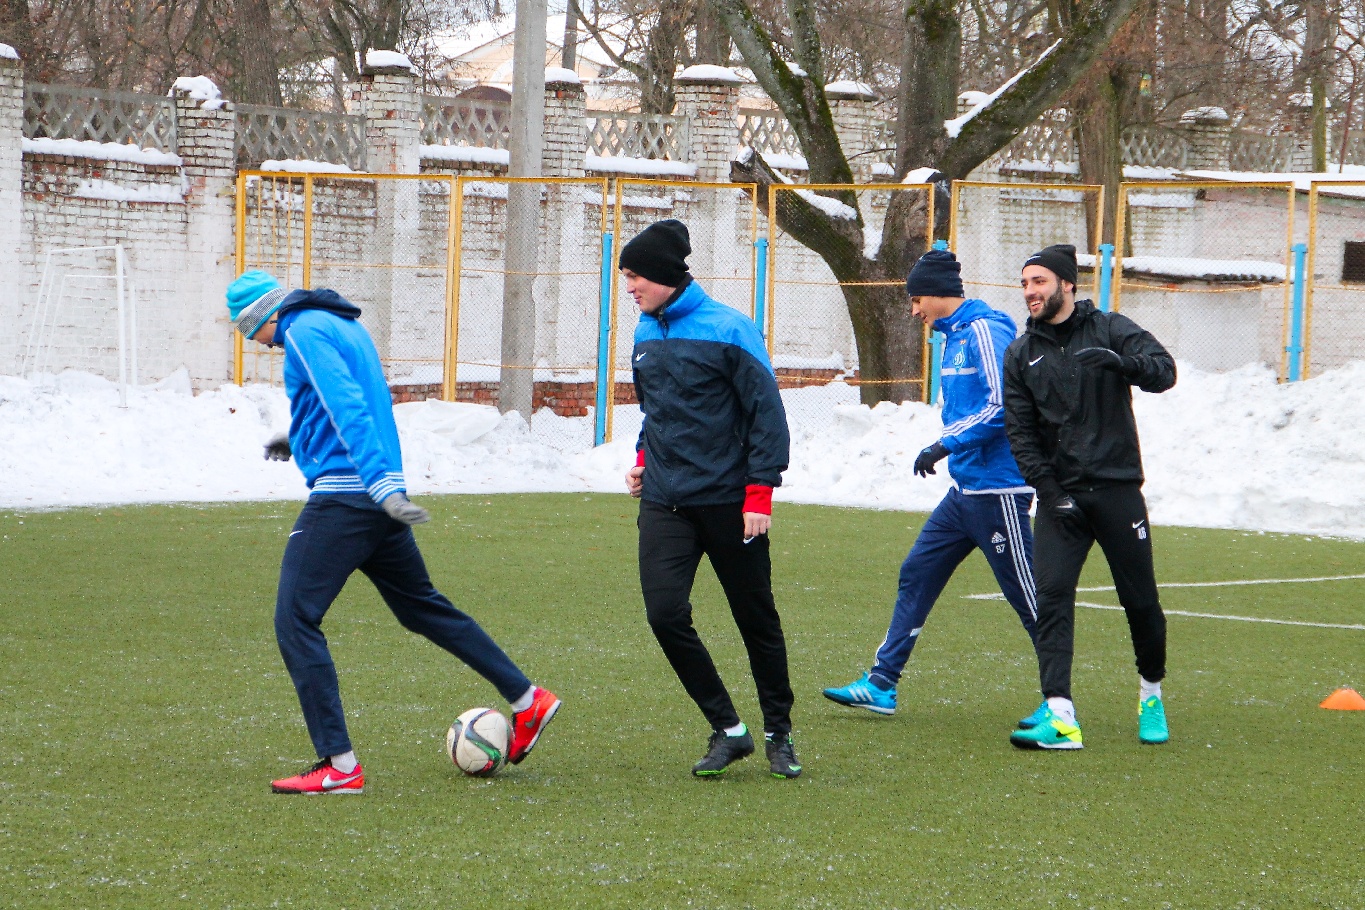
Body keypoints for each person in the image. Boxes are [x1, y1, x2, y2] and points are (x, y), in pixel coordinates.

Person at [225, 269, 560, 794]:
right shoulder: (340, 324)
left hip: (349, 496)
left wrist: (379, 483)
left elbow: (347, 403)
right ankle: (526, 699)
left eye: (253, 334)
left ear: (263, 317)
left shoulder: (301, 331)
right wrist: (300, 440)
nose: (263, 345)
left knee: (295, 619)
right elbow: (352, 399)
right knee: (420, 607)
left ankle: (339, 766)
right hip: (374, 495)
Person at [822, 245, 1042, 719]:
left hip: (998, 490)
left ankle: (1060, 701)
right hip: (964, 492)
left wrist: (946, 444)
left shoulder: (985, 330)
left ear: (938, 293)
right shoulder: (953, 336)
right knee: (917, 572)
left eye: (916, 299)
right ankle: (882, 684)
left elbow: (1004, 404)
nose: (914, 310)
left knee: (1029, 597)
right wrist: (951, 446)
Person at [620, 219, 800, 779]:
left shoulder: (731, 328)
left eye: (636, 276)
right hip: (665, 501)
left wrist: (759, 494)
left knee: (756, 620)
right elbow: (656, 412)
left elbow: (767, 417)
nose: (630, 287)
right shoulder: (645, 331)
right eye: (626, 277)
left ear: (665, 275)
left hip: (730, 503)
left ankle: (779, 733)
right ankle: (728, 729)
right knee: (664, 614)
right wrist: (644, 459)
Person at [1002, 244, 1176, 750]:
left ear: (1066, 284)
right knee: (1051, 599)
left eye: (1039, 281)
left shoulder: (1110, 328)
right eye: (1025, 283)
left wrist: (1125, 364)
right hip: (1062, 500)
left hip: (1118, 492)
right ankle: (1060, 714)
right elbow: (1021, 434)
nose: (1030, 292)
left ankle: (1150, 695)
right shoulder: (1020, 353)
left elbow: (1164, 371)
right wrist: (1050, 492)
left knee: (1140, 602)